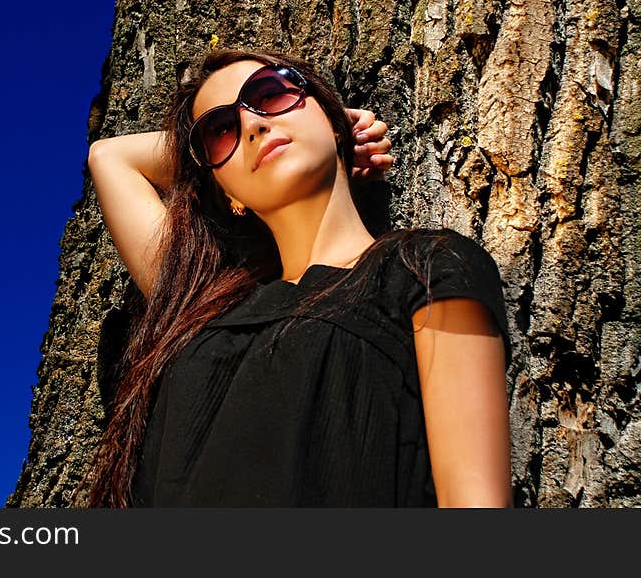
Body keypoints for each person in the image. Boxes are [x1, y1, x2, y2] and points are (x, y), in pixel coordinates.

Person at [81, 49, 512, 508]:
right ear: (226, 194)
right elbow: (110, 157)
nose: (251, 125)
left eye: (270, 93)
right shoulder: (199, 307)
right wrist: (303, 121)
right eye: (220, 129)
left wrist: (327, 126)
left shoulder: (423, 267)